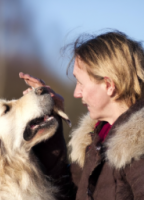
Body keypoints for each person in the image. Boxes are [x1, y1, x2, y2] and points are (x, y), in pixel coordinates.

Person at [19, 31, 144, 200]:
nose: (76, 93)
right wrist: (50, 118)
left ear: (109, 85)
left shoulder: (138, 149)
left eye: (80, 82)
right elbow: (66, 192)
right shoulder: (96, 139)